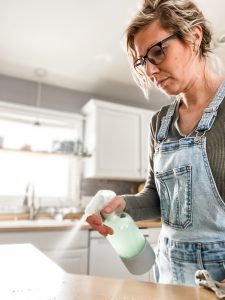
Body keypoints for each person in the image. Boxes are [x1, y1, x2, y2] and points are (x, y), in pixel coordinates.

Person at [87, 0, 225, 286]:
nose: (150, 71)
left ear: (194, 36)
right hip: (168, 270)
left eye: (157, 52)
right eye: (142, 61)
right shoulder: (159, 123)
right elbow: (155, 198)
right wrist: (120, 204)